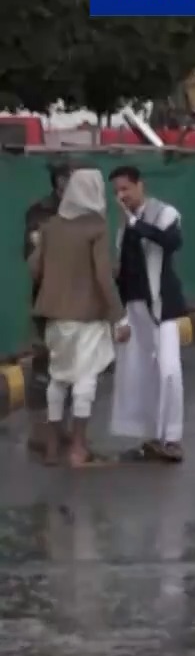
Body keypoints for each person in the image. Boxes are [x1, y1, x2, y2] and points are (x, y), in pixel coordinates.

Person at [26, 170, 127, 467]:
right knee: (85, 379)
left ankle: (52, 447)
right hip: (87, 316)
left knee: (57, 377)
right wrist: (119, 317)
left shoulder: (50, 226)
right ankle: (78, 447)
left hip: (54, 316)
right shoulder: (96, 227)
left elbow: (35, 269)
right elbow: (104, 276)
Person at [109, 165, 187, 463]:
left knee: (169, 371)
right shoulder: (123, 227)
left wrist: (136, 225)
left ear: (140, 185)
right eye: (117, 191)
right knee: (139, 373)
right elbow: (124, 271)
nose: (121, 196)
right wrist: (120, 315)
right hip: (135, 307)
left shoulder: (164, 214)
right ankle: (152, 437)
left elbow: (172, 242)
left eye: (125, 189)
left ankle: (173, 438)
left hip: (162, 306)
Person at [22, 161, 70, 463]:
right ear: (59, 182)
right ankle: (40, 432)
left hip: (77, 300)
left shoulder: (85, 213)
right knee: (43, 365)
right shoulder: (40, 212)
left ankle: (62, 428)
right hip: (47, 298)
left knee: (71, 365)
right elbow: (32, 261)